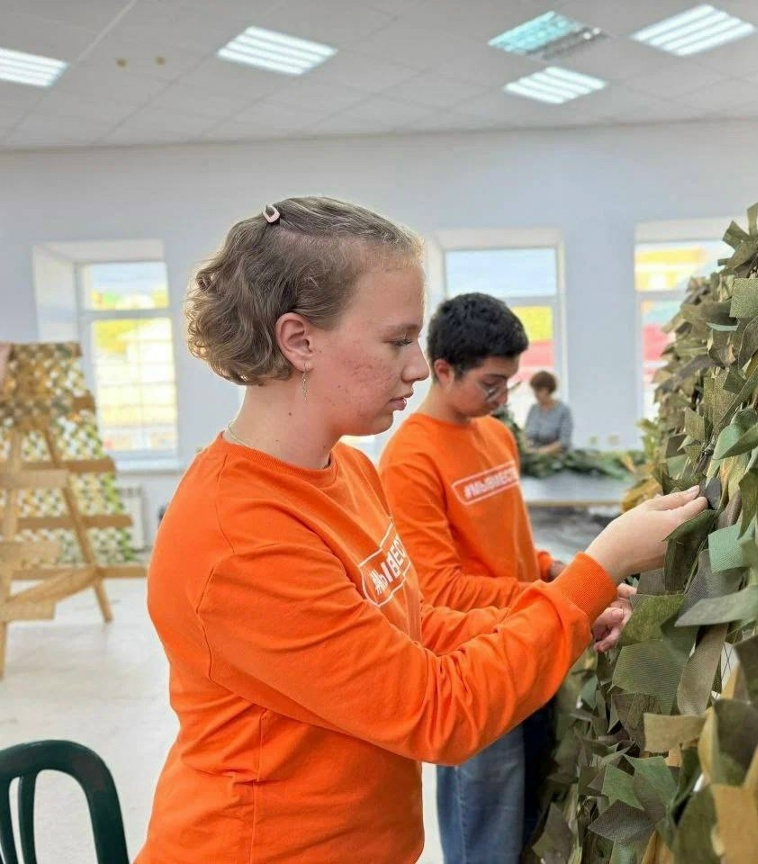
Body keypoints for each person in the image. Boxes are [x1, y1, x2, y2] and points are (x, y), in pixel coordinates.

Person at [136, 196, 706, 864]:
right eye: (396, 340)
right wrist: (598, 568)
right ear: (299, 340)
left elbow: (410, 627)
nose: (415, 367)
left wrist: (574, 611)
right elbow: (438, 711)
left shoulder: (346, 469)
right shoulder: (238, 536)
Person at [379, 294, 620, 863]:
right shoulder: (409, 460)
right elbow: (438, 591)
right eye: (491, 383)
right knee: (484, 830)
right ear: (443, 370)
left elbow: (509, 545)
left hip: (532, 643)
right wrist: (565, 595)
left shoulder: (496, 436)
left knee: (530, 810)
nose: (501, 397)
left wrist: (555, 569)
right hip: (474, 667)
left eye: (508, 383)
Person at [524, 370, 572, 454]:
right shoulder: (533, 409)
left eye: (539, 390)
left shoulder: (563, 410)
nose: (536, 394)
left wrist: (542, 452)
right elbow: (526, 434)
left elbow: (564, 441)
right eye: (534, 390)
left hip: (557, 458)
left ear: (548, 390)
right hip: (533, 456)